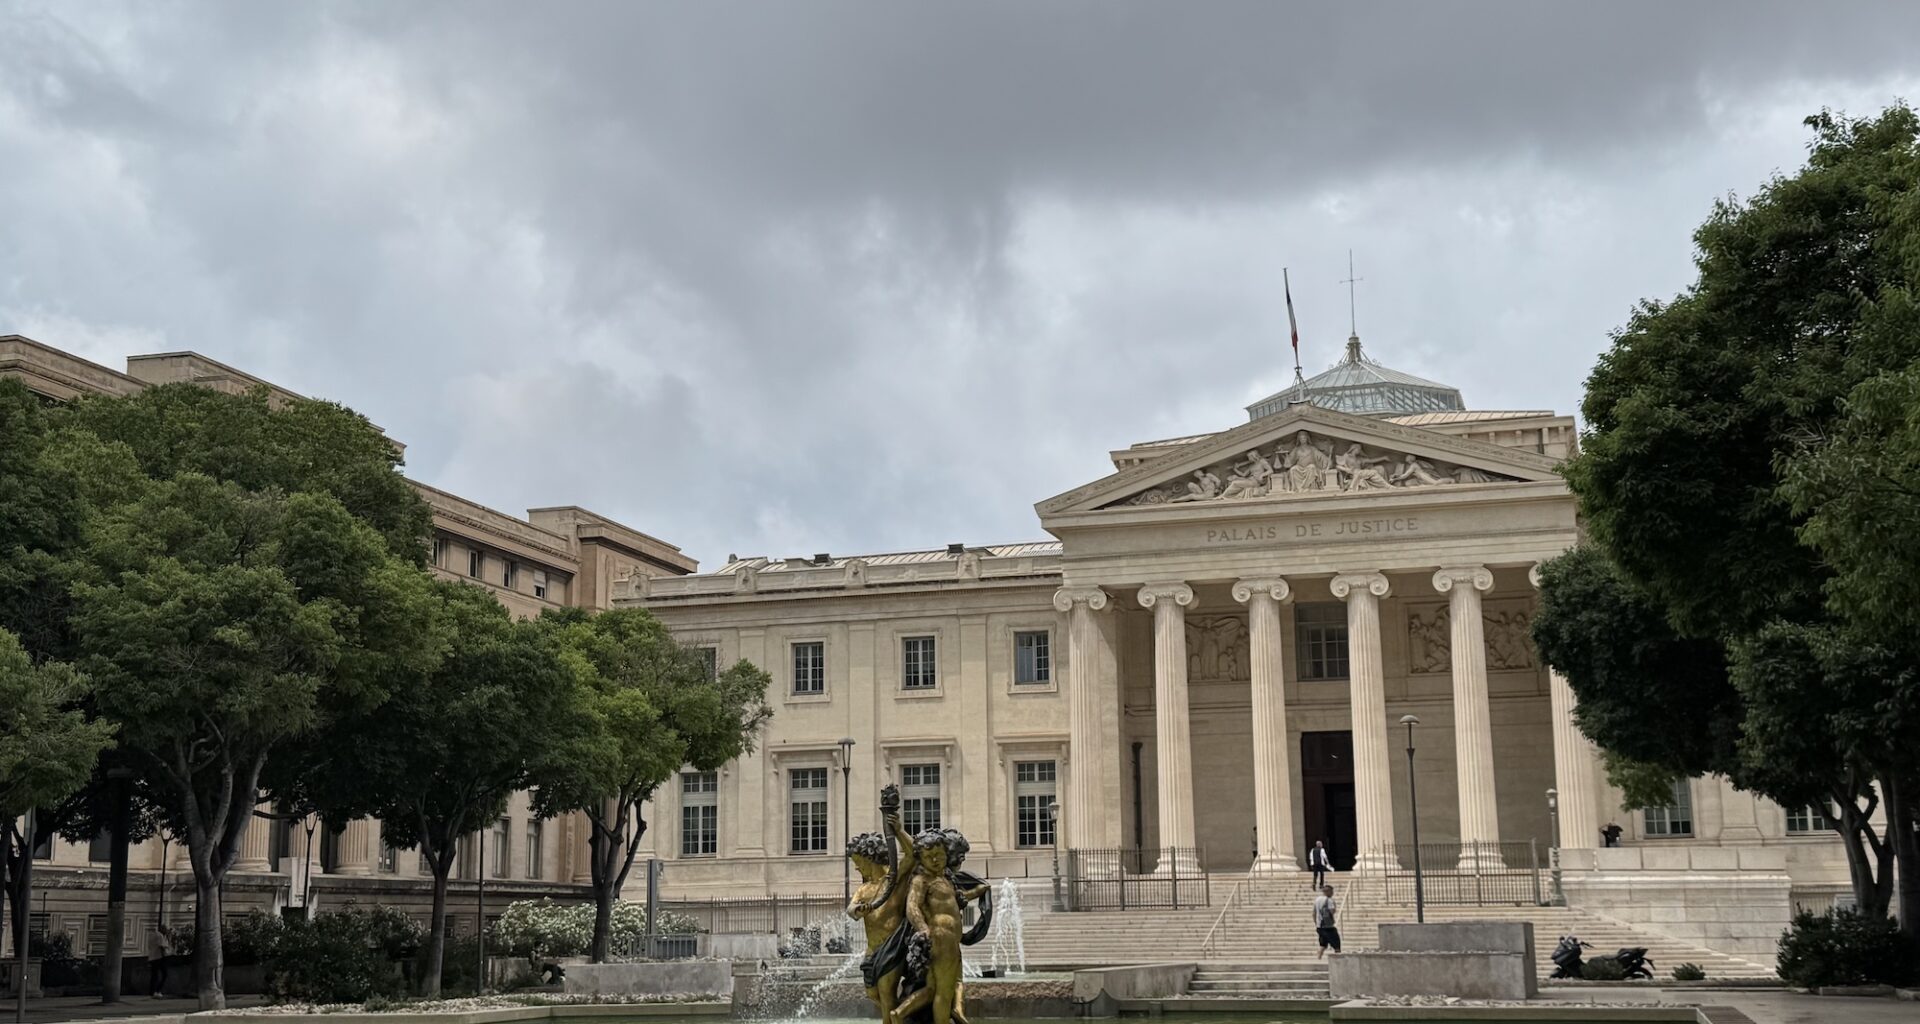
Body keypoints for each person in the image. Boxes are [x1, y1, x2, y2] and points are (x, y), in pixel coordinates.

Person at [1312, 884, 1341, 959]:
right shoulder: (1329, 900)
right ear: (1328, 891)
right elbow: (1332, 911)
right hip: (1328, 927)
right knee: (1336, 944)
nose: (1332, 893)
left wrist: (1316, 923)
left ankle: (1318, 958)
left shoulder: (1317, 899)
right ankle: (1338, 960)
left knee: (1323, 944)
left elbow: (1314, 913)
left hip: (1319, 926)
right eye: (1332, 891)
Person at [146, 923, 172, 997]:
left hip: (152, 957)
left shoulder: (152, 935)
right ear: (162, 929)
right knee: (164, 974)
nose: (166, 931)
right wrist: (164, 956)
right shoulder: (160, 936)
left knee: (154, 975)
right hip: (159, 957)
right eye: (165, 929)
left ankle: (152, 991)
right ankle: (158, 990)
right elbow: (162, 947)